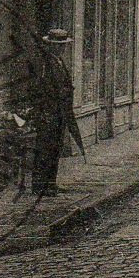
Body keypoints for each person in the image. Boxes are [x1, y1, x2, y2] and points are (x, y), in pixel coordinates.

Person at [30, 29, 84, 197]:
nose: (62, 49)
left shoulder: (59, 61)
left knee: (55, 148)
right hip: (49, 113)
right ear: (50, 46)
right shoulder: (45, 64)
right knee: (45, 150)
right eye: (58, 46)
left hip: (60, 113)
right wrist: (44, 111)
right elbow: (39, 90)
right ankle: (40, 186)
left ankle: (51, 184)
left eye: (64, 46)